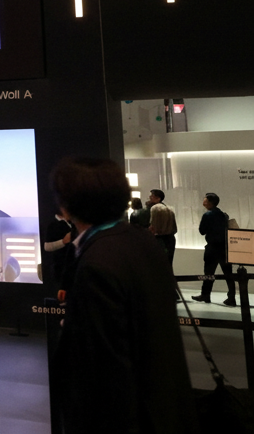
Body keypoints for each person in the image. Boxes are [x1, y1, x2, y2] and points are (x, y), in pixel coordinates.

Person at [51, 157, 196, 434]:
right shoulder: (142, 241)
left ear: (65, 207)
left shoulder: (97, 265)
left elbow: (105, 374)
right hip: (164, 410)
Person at [194, 193, 235, 306]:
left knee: (208, 273)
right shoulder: (223, 214)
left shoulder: (207, 215)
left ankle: (206, 295)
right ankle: (231, 297)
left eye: (205, 199)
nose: (203, 201)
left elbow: (202, 231)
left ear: (209, 202)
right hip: (224, 248)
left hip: (212, 248)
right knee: (228, 274)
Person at [146, 189, 177, 262]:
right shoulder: (169, 209)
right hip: (170, 239)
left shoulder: (154, 209)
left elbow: (151, 226)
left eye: (152, 196)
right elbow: (174, 228)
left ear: (158, 198)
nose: (150, 197)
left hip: (158, 240)